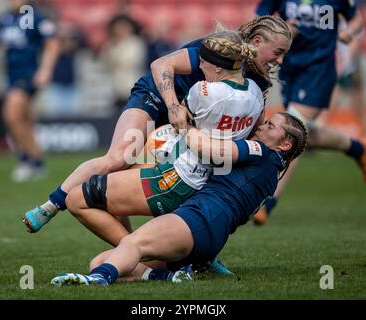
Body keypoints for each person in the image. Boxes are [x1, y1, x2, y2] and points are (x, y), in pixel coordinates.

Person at [23, 16, 292, 235]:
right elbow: (161, 64)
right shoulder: (221, 47)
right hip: (156, 99)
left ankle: (157, 254)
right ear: (257, 41)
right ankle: (50, 206)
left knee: (199, 186)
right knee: (119, 159)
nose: (280, 60)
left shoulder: (258, 81)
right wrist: (174, 106)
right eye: (278, 52)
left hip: (186, 118)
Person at [50, 112, 308, 286]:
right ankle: (164, 275)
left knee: (132, 244)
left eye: (270, 126)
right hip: (208, 237)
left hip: (197, 221)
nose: (261, 126)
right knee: (103, 259)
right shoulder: (272, 176)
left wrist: (183, 124)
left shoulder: (261, 151)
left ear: (284, 145)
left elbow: (209, 149)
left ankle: (97, 280)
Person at [253, 0, 366, 225]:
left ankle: (268, 201)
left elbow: (356, 18)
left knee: (293, 128)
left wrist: (349, 32)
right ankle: (358, 149)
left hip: (319, 69)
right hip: (288, 66)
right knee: (307, 137)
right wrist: (281, 26)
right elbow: (259, 17)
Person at [0, 0, 59, 182]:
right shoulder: (5, 19)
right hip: (11, 75)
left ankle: (26, 160)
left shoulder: (36, 16)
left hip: (28, 75)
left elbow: (52, 43)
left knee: (11, 115)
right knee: (25, 120)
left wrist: (45, 70)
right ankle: (37, 162)